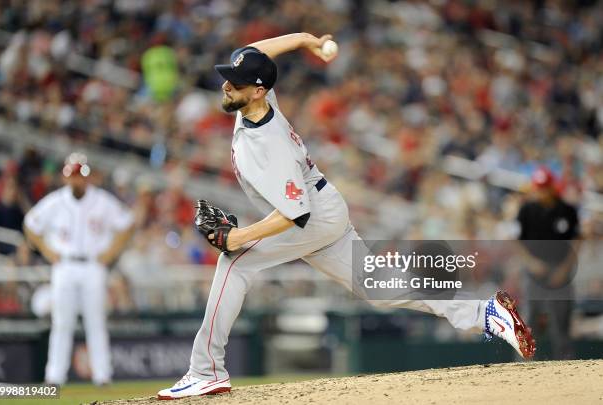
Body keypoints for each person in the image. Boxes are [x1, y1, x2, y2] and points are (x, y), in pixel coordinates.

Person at [157, 33, 536, 400]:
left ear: (257, 90)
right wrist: (306, 39)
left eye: (235, 83)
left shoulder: (268, 143)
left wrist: (239, 238)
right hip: (324, 209)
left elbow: (296, 213)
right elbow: (257, 51)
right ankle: (486, 313)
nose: (226, 86)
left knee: (234, 262)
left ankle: (205, 373)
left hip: (313, 216)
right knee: (382, 289)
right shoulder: (258, 98)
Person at [23, 152, 134, 385]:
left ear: (88, 177)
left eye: (80, 175)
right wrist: (45, 249)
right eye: (72, 175)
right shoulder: (55, 201)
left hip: (93, 265)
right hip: (64, 264)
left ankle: (102, 376)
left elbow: (126, 224)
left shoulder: (102, 200)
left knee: (96, 321)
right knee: (62, 322)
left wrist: (111, 252)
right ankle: (54, 377)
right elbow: (31, 224)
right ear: (65, 178)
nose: (76, 180)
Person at [517, 166, 580, 359]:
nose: (542, 191)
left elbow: (576, 241)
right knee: (529, 318)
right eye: (539, 187)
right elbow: (516, 240)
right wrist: (531, 263)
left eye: (545, 187)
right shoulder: (527, 210)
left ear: (552, 186)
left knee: (561, 320)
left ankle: (566, 363)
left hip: (560, 270)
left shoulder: (567, 210)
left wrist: (564, 269)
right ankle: (524, 364)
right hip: (535, 271)